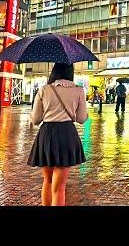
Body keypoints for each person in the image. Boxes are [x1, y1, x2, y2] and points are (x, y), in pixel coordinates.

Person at [28, 63, 88, 206]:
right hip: (67, 134)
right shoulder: (79, 90)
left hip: (47, 134)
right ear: (70, 72)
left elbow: (36, 119)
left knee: (47, 180)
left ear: (54, 72)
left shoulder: (44, 89)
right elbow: (81, 119)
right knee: (60, 187)